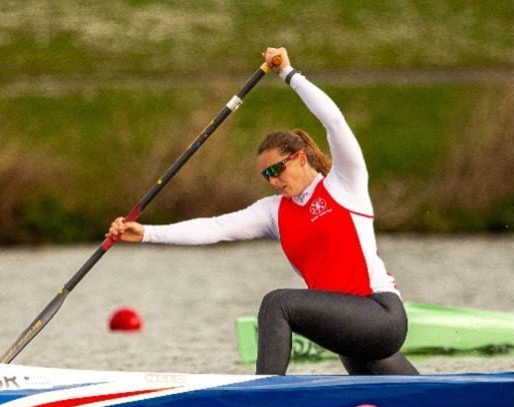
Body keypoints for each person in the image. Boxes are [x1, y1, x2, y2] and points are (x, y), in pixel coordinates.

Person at [107, 47, 419, 376]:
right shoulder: (274, 212)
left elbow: (334, 121)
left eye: (277, 170)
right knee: (411, 406)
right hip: (350, 336)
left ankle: (265, 391)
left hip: (380, 315)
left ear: (300, 157)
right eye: (266, 175)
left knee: (277, 303)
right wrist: (146, 233)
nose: (273, 181)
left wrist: (288, 73)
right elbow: (215, 228)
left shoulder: (345, 183)